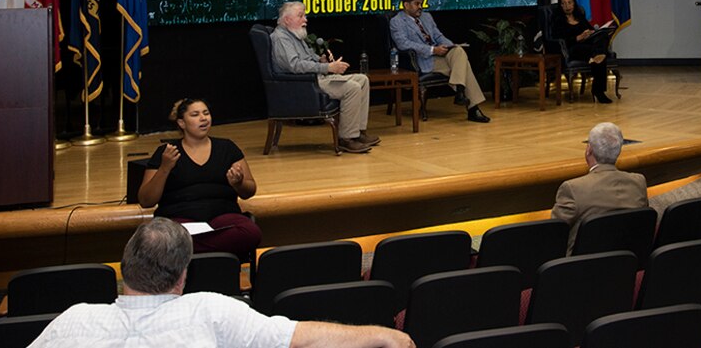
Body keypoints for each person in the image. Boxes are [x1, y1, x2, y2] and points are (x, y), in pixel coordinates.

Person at [28, 218, 414, 348]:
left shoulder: (73, 320)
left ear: (124, 269)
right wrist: (384, 335)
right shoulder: (208, 310)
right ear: (183, 275)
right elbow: (296, 337)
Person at [137, 99, 262, 262]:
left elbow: (249, 191)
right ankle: (206, 254)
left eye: (206, 113)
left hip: (223, 216)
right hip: (179, 220)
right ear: (181, 123)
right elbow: (146, 200)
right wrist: (165, 168)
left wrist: (238, 183)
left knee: (250, 233)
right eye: (195, 115)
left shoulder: (227, 148)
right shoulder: (167, 152)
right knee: (164, 237)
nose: (203, 118)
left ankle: (186, 250)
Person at [271, 1, 378, 154]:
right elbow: (294, 66)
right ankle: (346, 139)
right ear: (287, 19)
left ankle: (359, 132)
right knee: (352, 88)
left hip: (315, 79)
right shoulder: (281, 38)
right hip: (305, 85)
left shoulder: (294, 34)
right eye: (301, 16)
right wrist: (327, 68)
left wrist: (320, 60)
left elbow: (307, 57)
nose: (305, 19)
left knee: (362, 80)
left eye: (305, 15)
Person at [389, 0, 490, 123]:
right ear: (406, 5)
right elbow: (403, 44)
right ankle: (472, 108)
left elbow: (438, 36)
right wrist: (432, 50)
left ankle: (461, 92)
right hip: (422, 60)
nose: (420, 7)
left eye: (421, 3)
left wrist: (449, 46)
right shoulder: (397, 21)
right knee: (463, 66)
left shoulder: (427, 17)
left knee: (458, 51)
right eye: (417, 4)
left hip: (440, 55)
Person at [551, 122, 648, 250]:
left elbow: (553, 234)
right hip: (626, 262)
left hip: (581, 266)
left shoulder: (573, 189)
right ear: (618, 150)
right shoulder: (638, 182)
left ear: (589, 150)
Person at [550, 0, 612, 103]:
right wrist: (577, 38)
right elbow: (559, 40)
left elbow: (590, 30)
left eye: (570, 2)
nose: (567, 6)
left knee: (602, 36)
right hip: (572, 49)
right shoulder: (558, 21)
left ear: (574, 3)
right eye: (564, 3)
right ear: (561, 5)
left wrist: (592, 33)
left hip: (588, 46)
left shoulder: (580, 17)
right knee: (598, 54)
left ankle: (598, 55)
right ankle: (599, 91)